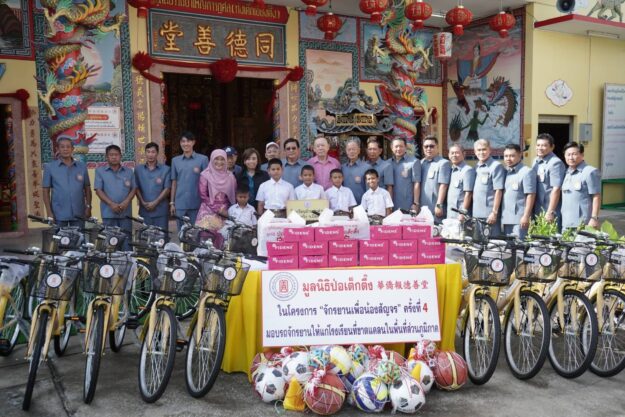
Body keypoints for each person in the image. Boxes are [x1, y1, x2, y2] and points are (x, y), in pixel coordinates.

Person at [42, 138, 92, 227]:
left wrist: (88, 207)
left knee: (79, 235)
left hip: (79, 213)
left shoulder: (81, 167)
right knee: (60, 236)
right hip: (58, 214)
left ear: (72, 149)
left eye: (68, 147)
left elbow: (87, 189)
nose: (65, 149)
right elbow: (45, 191)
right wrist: (49, 212)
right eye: (62, 147)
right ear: (57, 149)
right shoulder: (50, 167)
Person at [196, 149, 237, 248]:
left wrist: (227, 211)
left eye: (222, 159)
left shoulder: (230, 176)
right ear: (211, 159)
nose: (219, 162)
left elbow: (233, 196)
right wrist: (218, 210)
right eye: (216, 159)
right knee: (207, 239)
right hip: (208, 210)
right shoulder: (205, 175)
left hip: (225, 211)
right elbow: (203, 195)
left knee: (225, 241)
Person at [94, 145, 136, 240]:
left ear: (120, 156)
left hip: (125, 213)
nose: (114, 157)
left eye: (116, 155)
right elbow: (98, 190)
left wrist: (126, 202)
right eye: (111, 155)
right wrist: (111, 204)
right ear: (106, 157)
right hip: (108, 213)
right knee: (110, 242)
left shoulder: (129, 171)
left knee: (126, 241)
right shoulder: (100, 171)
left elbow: (134, 189)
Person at [170, 132, 209, 229]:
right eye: (183, 141)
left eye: (188, 141)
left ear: (193, 142)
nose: (185, 144)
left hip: (197, 203)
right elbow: (174, 182)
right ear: (180, 143)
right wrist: (172, 203)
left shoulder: (203, 159)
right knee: (181, 232)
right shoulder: (175, 161)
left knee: (196, 232)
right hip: (180, 204)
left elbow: (207, 182)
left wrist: (206, 202)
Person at [561, 142, 601, 229]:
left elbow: (596, 196)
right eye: (568, 155)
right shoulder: (567, 173)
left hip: (583, 222)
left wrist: (594, 218)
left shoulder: (590, 172)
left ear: (582, 155)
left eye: (574, 154)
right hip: (566, 222)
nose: (571, 157)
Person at [501, 144, 536, 239]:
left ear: (520, 155)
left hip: (519, 219)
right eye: (506, 156)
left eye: (512, 156)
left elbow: (531, 195)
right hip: (506, 218)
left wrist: (526, 216)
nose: (508, 159)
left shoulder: (526, 172)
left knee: (520, 245)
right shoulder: (505, 172)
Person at [472, 139, 505, 237]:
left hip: (489, 215)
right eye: (479, 150)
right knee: (477, 243)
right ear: (475, 152)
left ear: (490, 150)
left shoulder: (496, 166)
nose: (481, 152)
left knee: (491, 243)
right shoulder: (476, 167)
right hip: (476, 214)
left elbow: (498, 191)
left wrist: (494, 212)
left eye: (484, 149)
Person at [134, 142, 171, 232]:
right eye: (148, 152)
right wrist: (142, 202)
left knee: (161, 237)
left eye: (153, 152)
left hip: (161, 211)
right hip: (144, 210)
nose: (150, 154)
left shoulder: (166, 169)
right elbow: (135, 187)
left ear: (157, 153)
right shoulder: (138, 169)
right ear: (145, 153)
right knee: (146, 237)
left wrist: (155, 202)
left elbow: (167, 188)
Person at [532, 133, 566, 229]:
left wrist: (551, 211)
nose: (540, 148)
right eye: (538, 145)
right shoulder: (536, 161)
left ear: (552, 147)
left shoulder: (555, 163)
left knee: (550, 235)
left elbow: (556, 189)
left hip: (549, 208)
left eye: (544, 145)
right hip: (538, 207)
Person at [420, 136, 451, 223]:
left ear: (437, 147)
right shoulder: (421, 163)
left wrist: (439, 205)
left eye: (431, 146)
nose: (428, 149)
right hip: (423, 206)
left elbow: (443, 185)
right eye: (426, 146)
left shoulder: (443, 163)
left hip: (435, 207)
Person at [389, 137, 421, 212]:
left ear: (405, 147)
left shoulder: (414, 162)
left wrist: (416, 203)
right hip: (391, 203)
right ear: (392, 148)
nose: (398, 149)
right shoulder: (388, 163)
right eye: (396, 146)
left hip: (407, 203)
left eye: (401, 146)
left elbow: (417, 183)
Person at [446, 144, 476, 221]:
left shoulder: (467, 170)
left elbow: (468, 194)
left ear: (463, 154)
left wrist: (463, 213)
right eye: (452, 153)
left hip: (460, 215)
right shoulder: (451, 170)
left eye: (457, 153)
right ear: (449, 155)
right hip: (450, 213)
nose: (454, 155)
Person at [341, 137, 369, 204]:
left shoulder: (366, 167)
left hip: (361, 205)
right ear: (346, 151)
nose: (351, 151)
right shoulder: (343, 167)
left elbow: (369, 189)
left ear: (359, 150)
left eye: (354, 149)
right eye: (349, 149)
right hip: (346, 205)